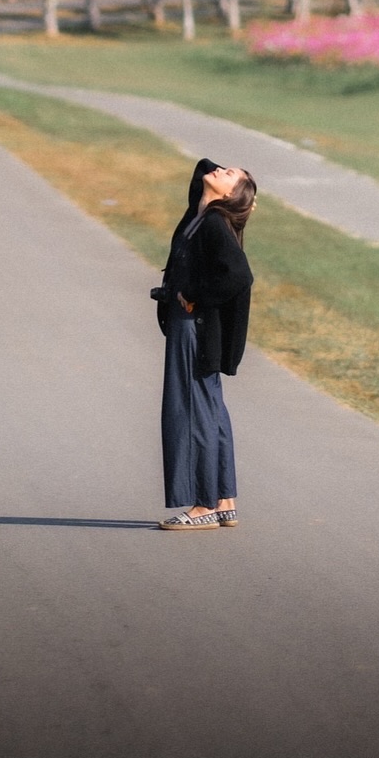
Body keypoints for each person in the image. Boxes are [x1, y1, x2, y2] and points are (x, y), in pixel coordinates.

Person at [153, 158, 257, 530]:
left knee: (193, 412)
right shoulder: (202, 213)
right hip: (195, 328)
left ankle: (203, 506)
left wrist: (195, 294)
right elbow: (202, 166)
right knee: (210, 411)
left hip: (196, 328)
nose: (219, 170)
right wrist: (239, 190)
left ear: (230, 195)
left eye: (229, 173)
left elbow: (239, 276)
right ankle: (224, 498)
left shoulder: (214, 222)